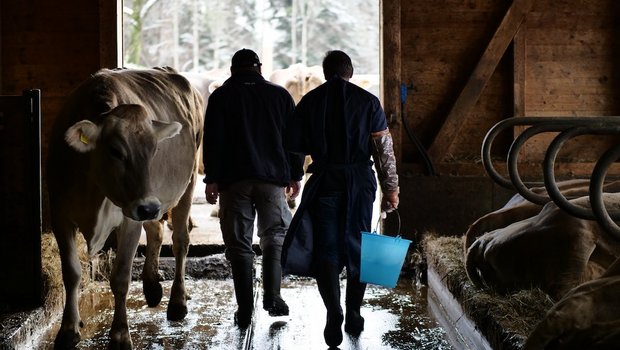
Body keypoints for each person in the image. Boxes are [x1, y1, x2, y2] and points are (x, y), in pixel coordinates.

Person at [282, 50, 399, 348]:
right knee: (360, 246)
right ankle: (354, 312)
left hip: (324, 181)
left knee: (328, 249)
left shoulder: (310, 101)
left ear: (324, 72)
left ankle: (333, 311)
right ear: (351, 71)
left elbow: (294, 147)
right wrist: (391, 188)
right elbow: (383, 150)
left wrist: (294, 177)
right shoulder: (368, 101)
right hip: (360, 183)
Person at [202, 48, 303, 328]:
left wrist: (212, 178)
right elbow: (293, 140)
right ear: (259, 68)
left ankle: (244, 309)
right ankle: (273, 296)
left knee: (239, 245)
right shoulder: (279, 95)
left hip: (234, 182)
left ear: (233, 70)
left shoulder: (221, 96)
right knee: (275, 236)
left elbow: (212, 141)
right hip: (271, 180)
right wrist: (295, 174)